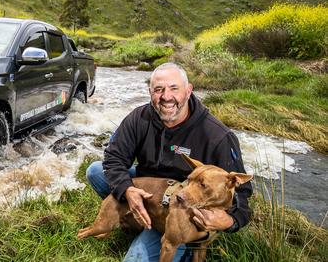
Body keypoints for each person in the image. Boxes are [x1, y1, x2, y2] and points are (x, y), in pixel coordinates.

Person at [86, 62, 252, 262]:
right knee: (95, 171)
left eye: (174, 88)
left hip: (182, 211)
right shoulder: (138, 118)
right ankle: (134, 219)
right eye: (158, 89)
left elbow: (242, 193)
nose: (166, 97)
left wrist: (230, 221)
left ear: (188, 90)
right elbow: (114, 158)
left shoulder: (218, 136)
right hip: (150, 191)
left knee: (134, 260)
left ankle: (184, 242)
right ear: (150, 92)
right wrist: (127, 190)